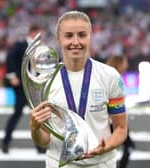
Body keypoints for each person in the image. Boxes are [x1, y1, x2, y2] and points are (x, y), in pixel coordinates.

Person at [30, 11, 128, 168]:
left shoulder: (110, 76)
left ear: (90, 36)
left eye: (82, 35)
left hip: (101, 163)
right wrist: (34, 128)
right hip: (60, 164)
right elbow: (43, 140)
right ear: (58, 38)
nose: (75, 42)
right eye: (68, 35)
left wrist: (106, 146)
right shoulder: (44, 81)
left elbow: (121, 129)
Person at [1, 24, 45, 153]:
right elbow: (10, 58)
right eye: (39, 34)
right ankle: (6, 142)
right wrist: (12, 75)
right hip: (21, 86)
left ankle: (40, 145)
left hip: (35, 87)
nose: (41, 37)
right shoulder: (20, 45)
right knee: (17, 114)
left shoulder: (40, 48)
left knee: (38, 117)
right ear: (33, 32)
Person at [106, 55, 135, 168]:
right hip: (113, 121)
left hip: (116, 120)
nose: (126, 65)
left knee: (127, 146)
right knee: (128, 146)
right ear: (119, 64)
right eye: (124, 62)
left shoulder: (115, 79)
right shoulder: (114, 80)